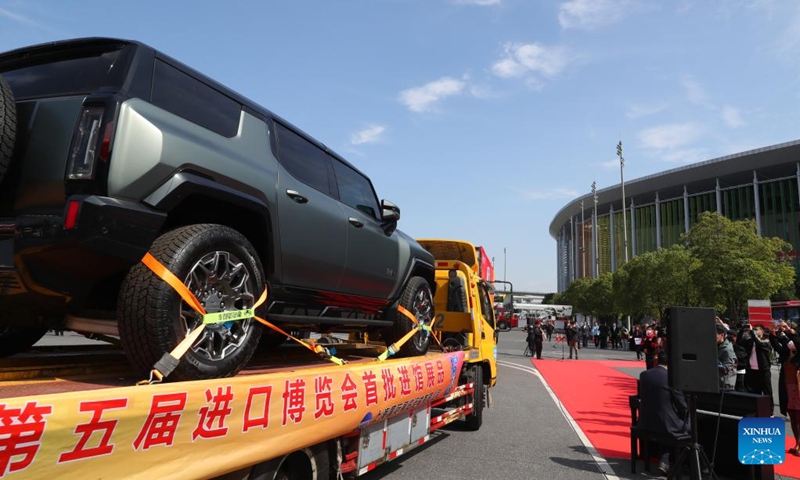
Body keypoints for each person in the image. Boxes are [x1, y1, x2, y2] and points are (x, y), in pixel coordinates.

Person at [638, 350, 690, 475]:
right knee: (688, 425)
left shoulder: (644, 375)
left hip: (646, 421)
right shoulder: (671, 379)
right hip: (665, 423)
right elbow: (683, 406)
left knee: (668, 424)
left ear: (657, 360)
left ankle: (665, 460)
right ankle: (685, 463)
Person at [770, 320, 800, 455]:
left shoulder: (796, 339)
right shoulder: (787, 346)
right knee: (793, 414)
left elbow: (796, 343)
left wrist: (788, 331)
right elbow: (780, 349)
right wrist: (772, 335)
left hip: (798, 382)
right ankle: (797, 443)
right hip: (788, 382)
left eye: (788, 327)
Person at [740, 324, 775, 414]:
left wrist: (752, 332)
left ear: (762, 331)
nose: (754, 331)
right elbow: (739, 342)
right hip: (751, 370)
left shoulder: (766, 340)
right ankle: (756, 411)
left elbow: (759, 343)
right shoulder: (751, 341)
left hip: (763, 370)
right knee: (754, 392)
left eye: (757, 330)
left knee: (767, 392)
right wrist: (742, 330)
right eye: (754, 329)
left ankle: (770, 412)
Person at [716, 323, 737, 391]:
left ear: (722, 335)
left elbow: (728, 369)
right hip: (717, 383)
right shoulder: (716, 346)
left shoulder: (727, 349)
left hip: (725, 385)